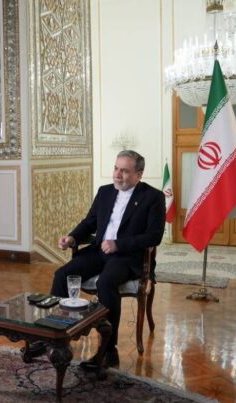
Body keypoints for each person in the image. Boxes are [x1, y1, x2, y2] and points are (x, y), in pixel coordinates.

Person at [50, 150, 165, 370]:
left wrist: (118, 244)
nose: (117, 175)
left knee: (106, 282)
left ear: (138, 175)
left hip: (128, 256)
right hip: (98, 251)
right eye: (116, 168)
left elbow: (154, 236)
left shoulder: (153, 197)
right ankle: (57, 335)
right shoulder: (105, 192)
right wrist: (72, 237)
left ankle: (108, 351)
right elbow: (89, 222)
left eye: (124, 171)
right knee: (62, 275)